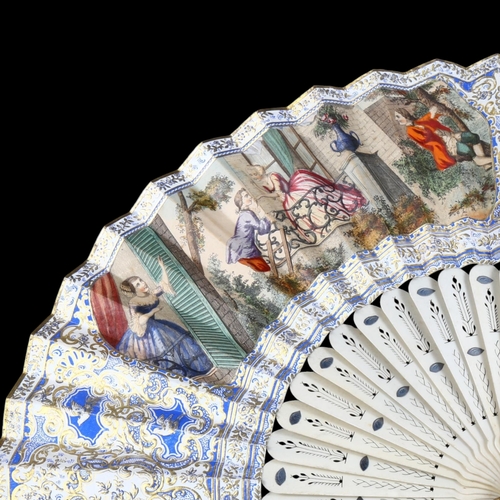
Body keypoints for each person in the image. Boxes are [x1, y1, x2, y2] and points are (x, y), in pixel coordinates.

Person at [116, 257, 214, 378]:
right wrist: (152, 312)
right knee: (159, 357)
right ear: (134, 290)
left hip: (157, 327)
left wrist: (162, 268)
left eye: (141, 280)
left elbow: (163, 285)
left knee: (179, 345)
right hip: (144, 336)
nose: (143, 283)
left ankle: (188, 374)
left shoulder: (151, 295)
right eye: (138, 284)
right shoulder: (134, 303)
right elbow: (139, 322)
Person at [247, 164, 366, 241]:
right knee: (306, 216)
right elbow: (275, 197)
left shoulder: (273, 176)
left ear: (258, 173)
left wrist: (263, 195)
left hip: (293, 194)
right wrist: (259, 191)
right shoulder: (265, 183)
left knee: (315, 206)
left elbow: (278, 193)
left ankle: (337, 218)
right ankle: (324, 231)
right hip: (287, 201)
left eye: (254, 175)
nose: (254, 177)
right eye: (252, 176)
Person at [394, 107, 491, 170]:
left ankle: (486, 165)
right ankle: (491, 161)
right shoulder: (410, 131)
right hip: (448, 146)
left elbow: (427, 120)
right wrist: (428, 127)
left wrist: (431, 113)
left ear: (404, 115)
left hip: (450, 136)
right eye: (396, 117)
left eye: (398, 116)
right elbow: (426, 140)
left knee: (473, 136)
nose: (397, 119)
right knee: (469, 151)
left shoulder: (416, 122)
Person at [226, 188, 272, 272]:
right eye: (246, 196)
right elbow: (263, 230)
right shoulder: (247, 214)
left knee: (266, 269)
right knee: (265, 269)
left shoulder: (244, 213)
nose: (250, 197)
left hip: (240, 248)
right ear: (241, 201)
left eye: (249, 195)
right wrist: (264, 217)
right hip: (245, 250)